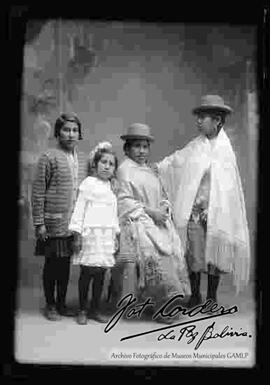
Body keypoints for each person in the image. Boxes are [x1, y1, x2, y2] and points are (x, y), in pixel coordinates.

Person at [157, 95, 250, 308]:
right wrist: (158, 167)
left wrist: (216, 208)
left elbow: (228, 187)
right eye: (198, 117)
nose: (198, 121)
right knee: (194, 254)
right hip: (195, 211)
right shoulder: (195, 146)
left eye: (203, 117)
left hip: (217, 212)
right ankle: (195, 295)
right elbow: (175, 161)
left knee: (215, 255)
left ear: (217, 120)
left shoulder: (225, 151)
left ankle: (211, 297)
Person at [110, 123, 190, 323]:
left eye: (145, 146)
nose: (141, 151)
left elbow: (163, 195)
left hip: (156, 221)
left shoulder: (150, 170)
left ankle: (163, 302)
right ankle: (160, 304)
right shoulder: (124, 170)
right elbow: (124, 201)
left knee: (172, 250)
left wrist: (163, 208)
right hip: (136, 222)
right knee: (152, 253)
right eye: (136, 146)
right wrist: (150, 212)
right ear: (127, 149)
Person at [32, 113, 87, 321]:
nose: (71, 134)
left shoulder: (81, 159)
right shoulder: (49, 157)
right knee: (52, 264)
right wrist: (39, 223)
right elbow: (38, 191)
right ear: (58, 132)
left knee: (64, 265)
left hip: (71, 223)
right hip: (52, 222)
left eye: (74, 130)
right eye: (66, 130)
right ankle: (50, 304)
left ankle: (62, 303)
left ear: (79, 133)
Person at [68, 142, 120, 325]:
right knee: (87, 273)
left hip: (105, 236)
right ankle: (82, 309)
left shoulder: (111, 188)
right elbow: (79, 210)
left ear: (114, 169)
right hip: (90, 234)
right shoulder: (88, 184)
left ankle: (94, 309)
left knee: (101, 274)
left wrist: (116, 236)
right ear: (95, 164)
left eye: (111, 164)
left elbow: (114, 214)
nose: (107, 166)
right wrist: (77, 235)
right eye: (103, 162)